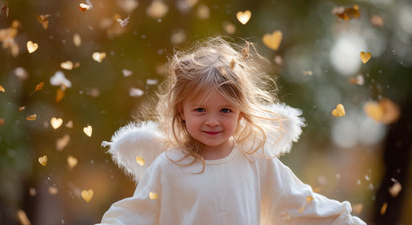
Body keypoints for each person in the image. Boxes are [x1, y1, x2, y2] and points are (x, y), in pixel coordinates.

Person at [98, 37, 366, 225]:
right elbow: (137, 214)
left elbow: (297, 202)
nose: (213, 121)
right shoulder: (168, 166)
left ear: (241, 112)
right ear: (181, 111)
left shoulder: (256, 160)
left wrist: (344, 221)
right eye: (200, 110)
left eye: (225, 110)